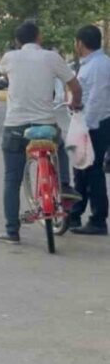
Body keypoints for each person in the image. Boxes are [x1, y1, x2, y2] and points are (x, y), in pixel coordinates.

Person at [0, 21, 82, 244]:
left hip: (15, 127)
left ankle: (12, 232)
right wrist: (75, 104)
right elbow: (75, 87)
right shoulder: (52, 57)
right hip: (45, 125)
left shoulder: (9, 57)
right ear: (39, 37)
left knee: (11, 180)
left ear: (17, 41)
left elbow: (2, 73)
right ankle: (63, 185)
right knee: (60, 145)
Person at [67, 25, 110, 235]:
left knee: (91, 172)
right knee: (82, 171)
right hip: (91, 123)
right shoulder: (94, 64)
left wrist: (86, 128)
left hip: (94, 124)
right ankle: (74, 214)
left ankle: (98, 219)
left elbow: (96, 101)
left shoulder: (97, 66)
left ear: (80, 43)